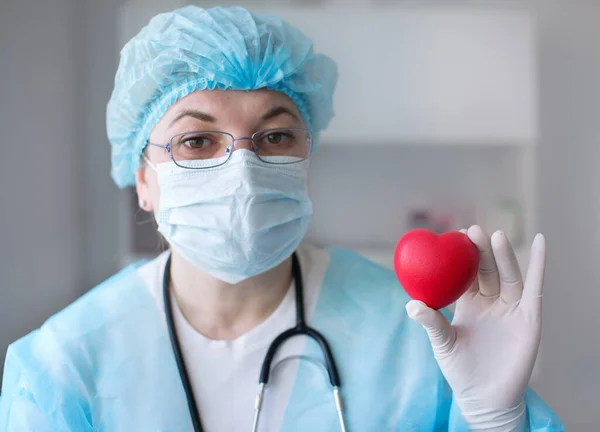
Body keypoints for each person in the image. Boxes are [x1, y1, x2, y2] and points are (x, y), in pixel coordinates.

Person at [0, 5, 564, 431]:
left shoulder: (416, 334)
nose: (244, 171)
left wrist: (496, 420)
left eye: (274, 136)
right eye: (197, 140)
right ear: (144, 180)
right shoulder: (61, 368)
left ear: (306, 157)